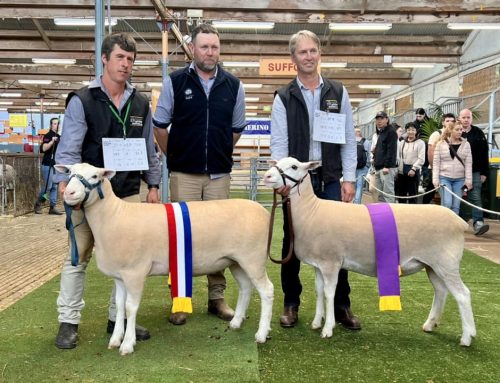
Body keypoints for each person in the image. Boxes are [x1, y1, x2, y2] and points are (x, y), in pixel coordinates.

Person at [53, 33, 161, 349]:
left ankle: (118, 318)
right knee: (78, 256)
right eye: (120, 58)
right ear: (104, 58)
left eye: (130, 59)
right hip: (88, 197)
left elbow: (149, 149)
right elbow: (70, 148)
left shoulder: (140, 102)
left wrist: (153, 184)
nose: (125, 65)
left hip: (127, 193)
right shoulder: (83, 99)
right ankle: (68, 321)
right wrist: (66, 185)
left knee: (128, 259)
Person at [153, 23, 246, 326]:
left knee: (220, 237)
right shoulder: (175, 82)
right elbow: (159, 125)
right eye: (204, 46)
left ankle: (217, 298)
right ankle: (181, 300)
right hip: (184, 175)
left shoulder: (234, 85)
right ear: (192, 48)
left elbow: (235, 130)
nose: (210, 52)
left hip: (219, 175)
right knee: (182, 237)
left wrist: (217, 152)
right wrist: (176, 157)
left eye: (215, 47)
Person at [270, 30, 360, 330]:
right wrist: (283, 177)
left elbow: (348, 138)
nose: (308, 57)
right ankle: (291, 304)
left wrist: (349, 178)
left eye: (313, 51)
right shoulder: (283, 97)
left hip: (331, 178)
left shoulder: (338, 91)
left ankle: (341, 306)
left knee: (339, 241)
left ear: (319, 54)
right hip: (296, 182)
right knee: (292, 241)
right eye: (302, 52)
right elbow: (279, 144)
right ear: (293, 58)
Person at [459, 108, 490, 235]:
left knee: (476, 197)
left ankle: (478, 223)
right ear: (459, 118)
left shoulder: (478, 133)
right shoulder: (455, 132)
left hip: (475, 171)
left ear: (471, 119)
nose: (466, 120)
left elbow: (484, 154)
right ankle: (457, 224)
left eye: (468, 117)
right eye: (464, 117)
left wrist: (484, 172)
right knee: (456, 198)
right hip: (457, 171)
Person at [433, 121, 472, 215]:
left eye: (461, 130)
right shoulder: (440, 144)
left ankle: (454, 229)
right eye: (457, 129)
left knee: (455, 206)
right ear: (450, 130)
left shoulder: (466, 144)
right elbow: (436, 163)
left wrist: (468, 180)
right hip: (444, 178)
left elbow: (468, 163)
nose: (460, 132)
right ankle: (445, 226)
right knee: (447, 203)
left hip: (460, 179)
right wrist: (435, 179)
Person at [423, 113, 456, 204]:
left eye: (452, 121)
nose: (450, 123)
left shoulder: (456, 134)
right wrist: (434, 169)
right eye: (447, 121)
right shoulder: (436, 134)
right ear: (443, 122)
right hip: (435, 169)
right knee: (430, 192)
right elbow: (430, 152)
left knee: (447, 194)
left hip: (449, 170)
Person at [34, 117, 63, 215]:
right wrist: (51, 142)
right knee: (48, 187)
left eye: (58, 124)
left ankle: (52, 207)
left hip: (55, 165)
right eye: (54, 123)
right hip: (47, 164)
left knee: (54, 186)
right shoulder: (48, 135)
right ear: (51, 125)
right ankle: (39, 203)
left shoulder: (59, 137)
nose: (56, 125)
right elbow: (43, 148)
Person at [371, 111, 398, 203]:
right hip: (378, 167)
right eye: (377, 119)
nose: (379, 121)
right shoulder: (381, 132)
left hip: (386, 168)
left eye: (381, 118)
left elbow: (391, 150)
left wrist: (387, 166)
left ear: (387, 119)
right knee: (380, 194)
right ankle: (383, 214)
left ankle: (391, 215)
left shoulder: (391, 132)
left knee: (388, 193)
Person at [397, 122, 425, 204]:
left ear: (416, 131)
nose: (411, 132)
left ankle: (412, 214)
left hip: (413, 170)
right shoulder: (402, 143)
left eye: (413, 130)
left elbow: (421, 158)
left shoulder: (420, 143)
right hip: (402, 170)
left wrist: (414, 168)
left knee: (413, 194)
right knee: (401, 195)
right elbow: (399, 156)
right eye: (409, 130)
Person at [354, 128, 371, 204]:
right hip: (363, 167)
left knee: (353, 185)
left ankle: (352, 202)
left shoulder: (351, 141)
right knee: (360, 186)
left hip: (352, 167)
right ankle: (357, 203)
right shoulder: (367, 142)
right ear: (361, 133)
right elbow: (370, 156)